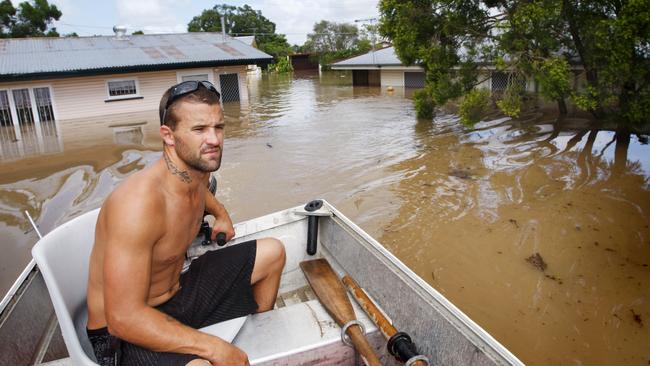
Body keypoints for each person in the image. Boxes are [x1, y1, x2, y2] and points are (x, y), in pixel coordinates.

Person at [85, 80, 286, 366]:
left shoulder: (196, 168)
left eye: (219, 127)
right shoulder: (138, 205)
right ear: (168, 135)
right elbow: (122, 319)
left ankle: (261, 344)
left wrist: (222, 214)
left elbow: (199, 192)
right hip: (123, 334)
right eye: (199, 129)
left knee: (272, 253)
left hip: (177, 294)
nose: (214, 140)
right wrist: (215, 348)